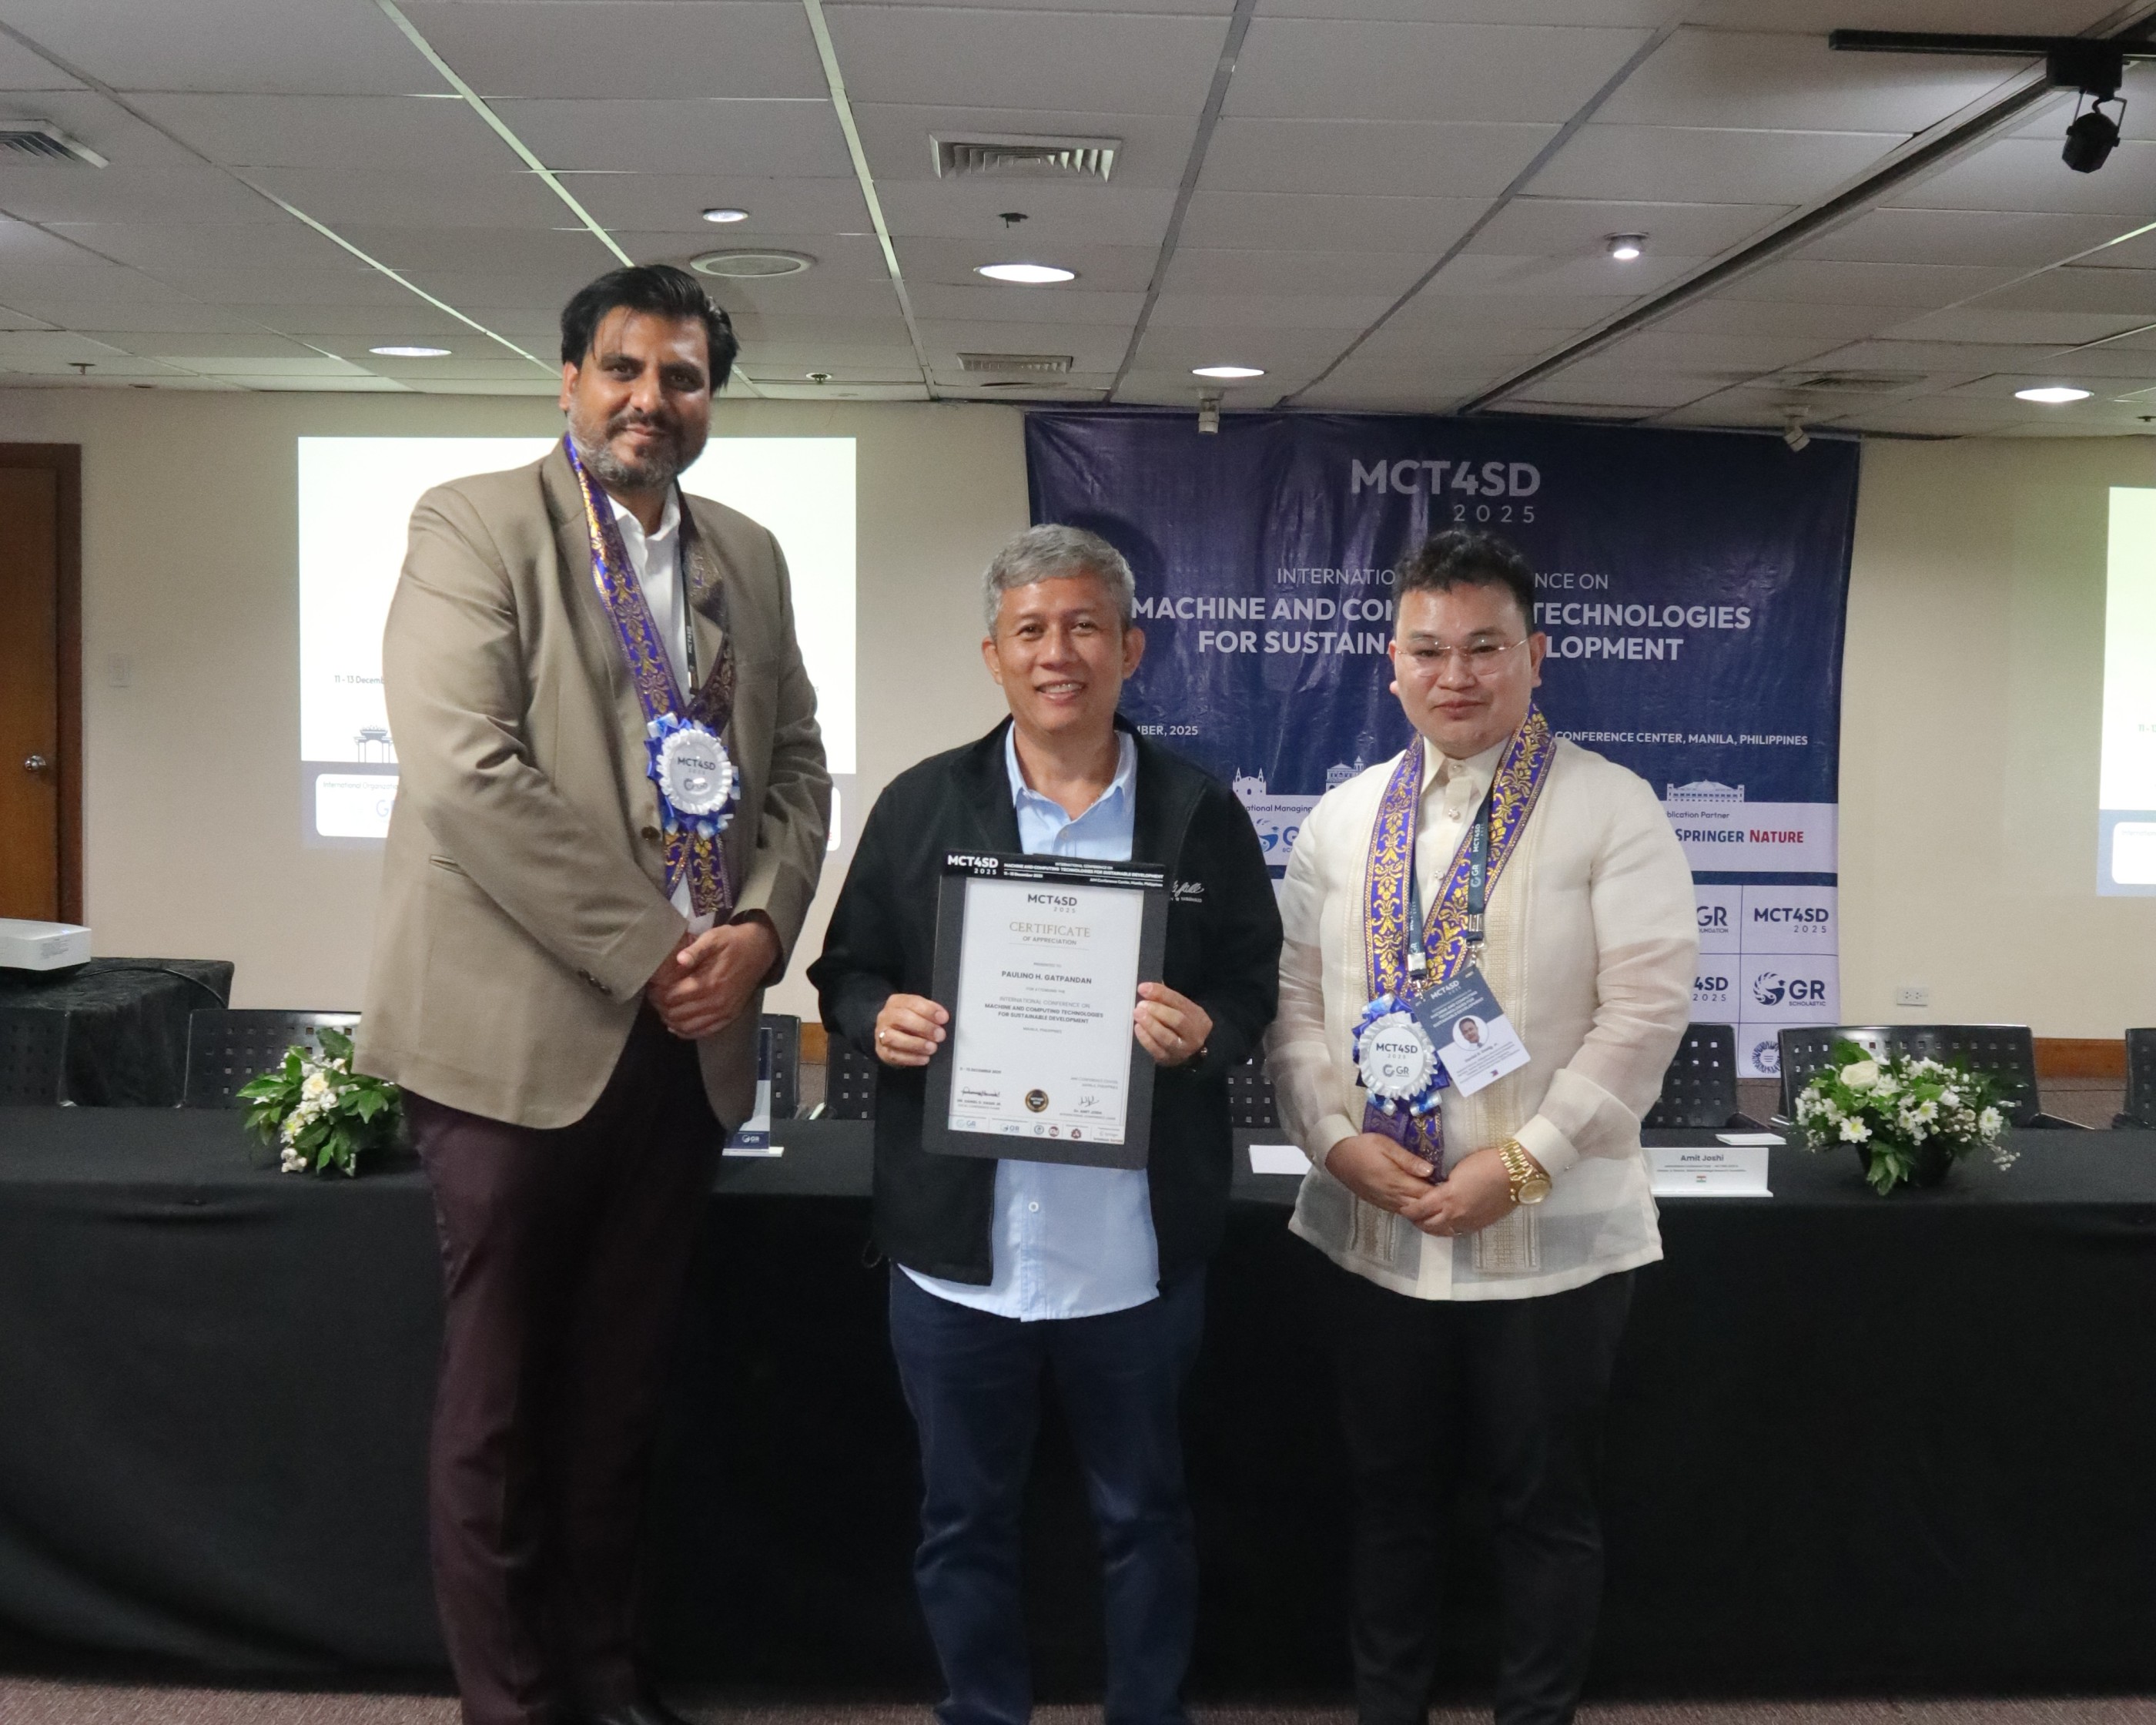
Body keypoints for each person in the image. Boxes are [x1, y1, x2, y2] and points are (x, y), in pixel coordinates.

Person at [358, 264, 830, 1725]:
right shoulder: (474, 525)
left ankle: (609, 1687)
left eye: (683, 377)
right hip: (514, 1039)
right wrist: (657, 951)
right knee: (501, 1405)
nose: (651, 400)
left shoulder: (749, 554)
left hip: (687, 1051)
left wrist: (760, 929)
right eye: (623, 370)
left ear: (711, 400)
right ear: (568, 380)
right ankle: (513, 1706)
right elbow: (465, 774)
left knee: (621, 1397)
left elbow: (798, 766)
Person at [808, 524, 1282, 1725]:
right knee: (962, 1522)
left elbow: (1250, 983)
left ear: (1131, 648)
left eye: (1083, 627)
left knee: (1144, 1518)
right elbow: (846, 970)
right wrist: (878, 1019)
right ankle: (981, 1712)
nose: (1056, 652)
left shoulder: (1198, 812)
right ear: (994, 655)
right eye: (1030, 630)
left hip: (1132, 1254)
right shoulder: (922, 804)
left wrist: (1207, 1032)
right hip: (959, 1260)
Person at [1267, 529, 1695, 1725]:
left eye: (1484, 648)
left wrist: (1525, 1162)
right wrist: (1332, 1141)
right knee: (1388, 1501)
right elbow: (1292, 1005)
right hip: (1375, 1226)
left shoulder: (1614, 808)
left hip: (1550, 1239)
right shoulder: (1341, 819)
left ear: (1535, 657)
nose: (1454, 675)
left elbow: (1644, 1012)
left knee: (1543, 1508)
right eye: (1428, 650)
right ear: (1391, 664)